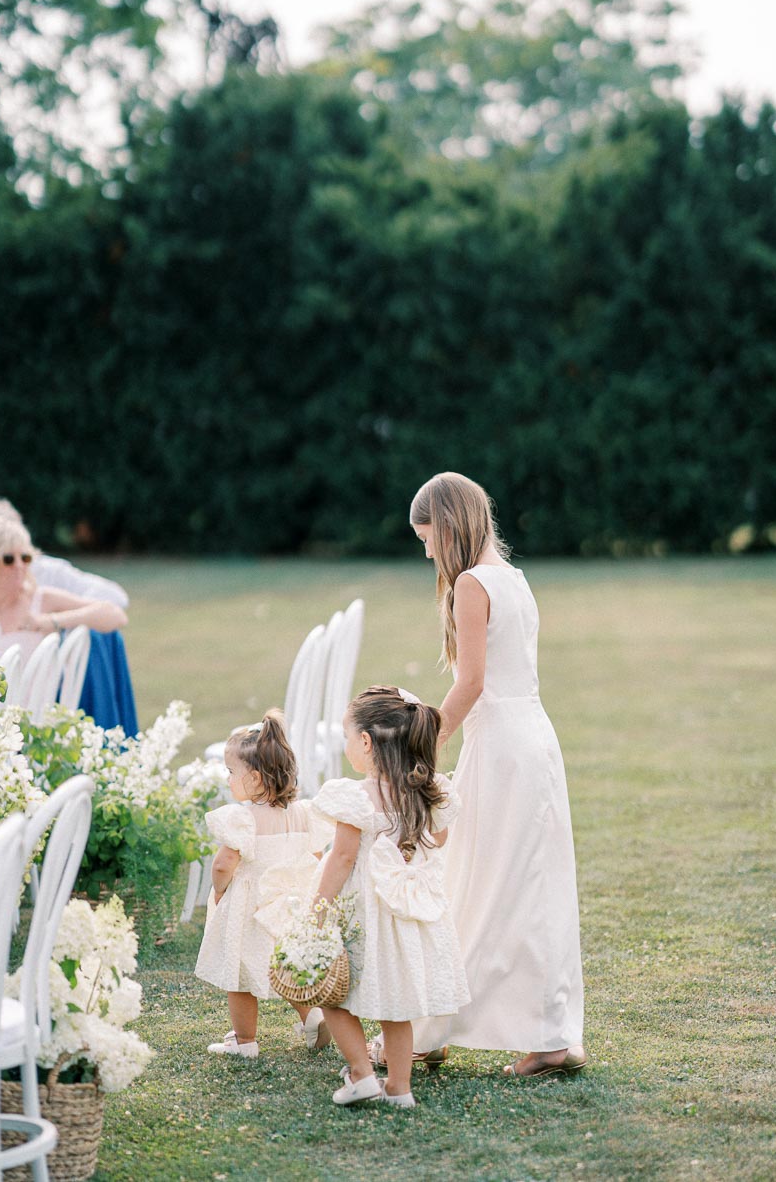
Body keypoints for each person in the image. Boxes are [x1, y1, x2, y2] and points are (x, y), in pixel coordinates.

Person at [408, 471, 586, 1078]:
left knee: (484, 884)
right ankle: (551, 1032)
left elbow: (473, 682)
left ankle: (435, 1028)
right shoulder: (515, 578)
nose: (427, 551)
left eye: (428, 538)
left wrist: (426, 740)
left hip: (503, 747)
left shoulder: (471, 583)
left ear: (450, 526)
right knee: (533, 886)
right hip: (533, 737)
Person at [310, 686, 469, 1109]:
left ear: (365, 742)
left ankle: (361, 1074)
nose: (347, 747)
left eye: (348, 738)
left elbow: (342, 858)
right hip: (402, 914)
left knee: (332, 995)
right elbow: (439, 836)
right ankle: (399, 1089)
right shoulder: (424, 791)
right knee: (395, 1007)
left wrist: (318, 910)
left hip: (361, 912)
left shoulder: (357, 798)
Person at [194, 711, 334, 1058]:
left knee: (241, 975)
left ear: (254, 778)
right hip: (290, 903)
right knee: (288, 965)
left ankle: (245, 1041)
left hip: (251, 908)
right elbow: (316, 855)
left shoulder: (245, 818)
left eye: (231, 772)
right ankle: (312, 1016)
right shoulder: (303, 813)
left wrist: (220, 888)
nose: (228, 779)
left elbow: (225, 863)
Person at [0, 516, 127, 683]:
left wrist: (50, 622)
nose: (19, 566)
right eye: (8, 559)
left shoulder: (42, 600)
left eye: (25, 558)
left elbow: (115, 615)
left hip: (32, 722)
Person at [0, 497, 129, 621]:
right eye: (1, 553)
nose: (18, 565)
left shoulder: (45, 571)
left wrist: (56, 620)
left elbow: (114, 598)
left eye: (22, 555)